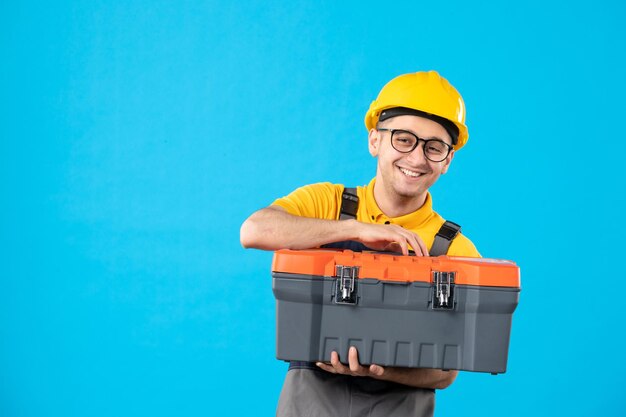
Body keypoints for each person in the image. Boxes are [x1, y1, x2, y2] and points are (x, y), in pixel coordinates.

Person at [240, 71, 481, 417]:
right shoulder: (327, 203)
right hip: (310, 402)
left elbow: (446, 374)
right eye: (403, 139)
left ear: (447, 160)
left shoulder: (456, 249)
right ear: (374, 141)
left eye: (434, 147)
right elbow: (254, 230)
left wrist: (381, 369)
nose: (416, 158)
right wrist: (356, 230)